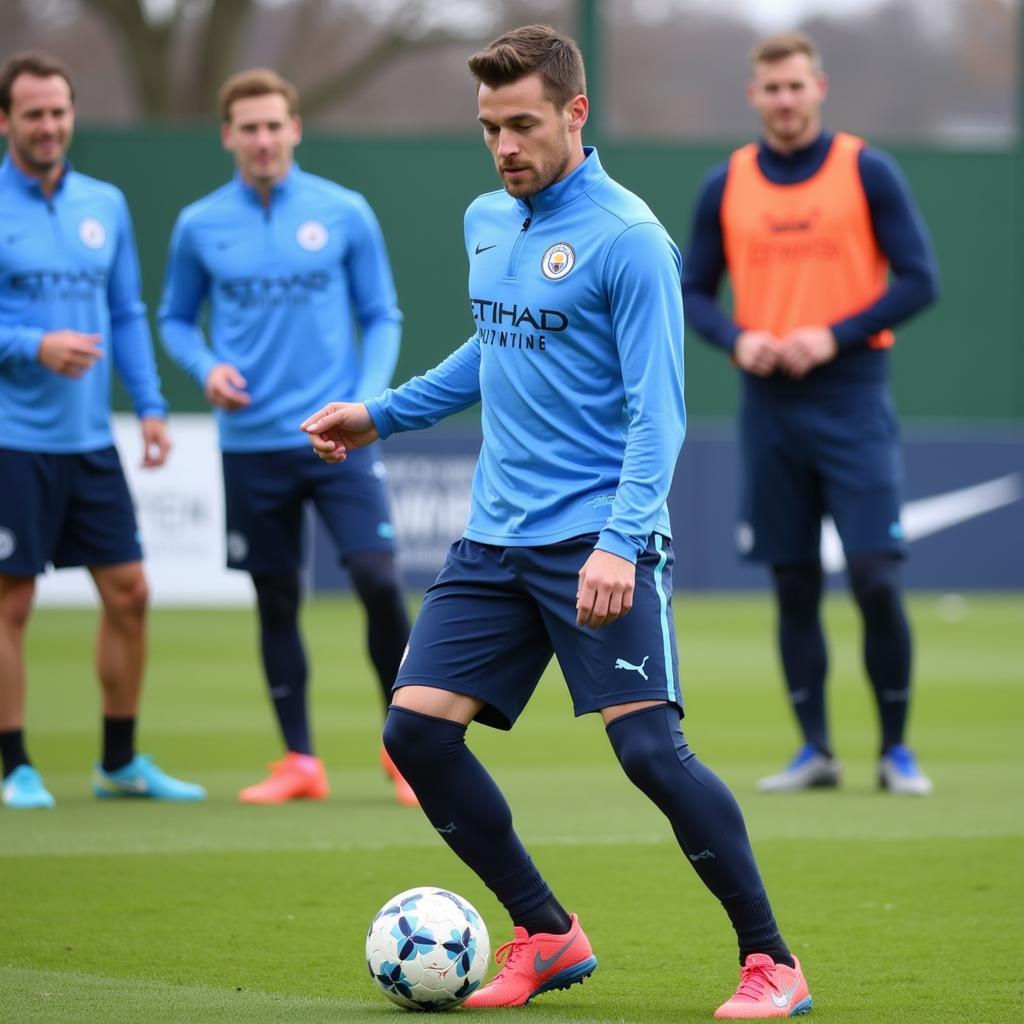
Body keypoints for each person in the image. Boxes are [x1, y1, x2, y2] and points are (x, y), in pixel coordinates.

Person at [303, 25, 811, 1020]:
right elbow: (489, 350)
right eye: (489, 125)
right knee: (415, 734)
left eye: (523, 123)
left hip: (593, 538)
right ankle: (544, 931)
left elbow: (656, 410)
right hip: (492, 540)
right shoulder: (485, 218)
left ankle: (772, 963)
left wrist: (621, 538)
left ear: (575, 112)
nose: (504, 145)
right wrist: (381, 413)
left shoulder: (629, 239)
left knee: (650, 755)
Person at [682, 31, 940, 796]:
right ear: (752, 95)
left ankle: (895, 751)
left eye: (797, 86)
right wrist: (738, 337)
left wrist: (833, 333)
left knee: (874, 578)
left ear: (819, 87)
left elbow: (920, 280)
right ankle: (816, 750)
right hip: (769, 407)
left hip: (853, 396)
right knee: (792, 583)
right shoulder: (724, 184)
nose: (786, 100)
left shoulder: (867, 170)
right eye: (772, 88)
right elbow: (693, 289)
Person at [159, 69, 415, 807]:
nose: (263, 139)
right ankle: (300, 760)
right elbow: (174, 317)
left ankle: (405, 753)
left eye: (275, 125)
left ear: (295, 129)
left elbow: (383, 313)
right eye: (249, 127)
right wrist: (203, 367)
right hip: (249, 443)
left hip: (335, 439)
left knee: (375, 579)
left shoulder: (344, 212)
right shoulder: (198, 224)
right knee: (274, 598)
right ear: (228, 136)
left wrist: (364, 401)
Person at [0, 51, 205, 809]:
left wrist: (149, 405)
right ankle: (14, 766)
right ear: (6, 121)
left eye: (59, 112)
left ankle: (118, 762)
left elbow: (126, 311)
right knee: (10, 603)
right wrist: (33, 345)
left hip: (90, 441)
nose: (49, 126)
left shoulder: (104, 203)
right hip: (12, 437)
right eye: (34, 114)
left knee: (130, 592)